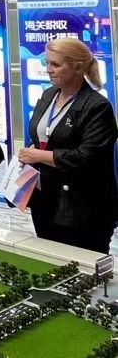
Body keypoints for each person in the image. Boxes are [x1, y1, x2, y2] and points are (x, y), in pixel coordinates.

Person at [19, 38, 118, 253]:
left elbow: (87, 157)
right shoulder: (48, 95)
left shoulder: (97, 106)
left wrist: (38, 156)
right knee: (49, 259)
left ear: (78, 68)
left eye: (55, 64)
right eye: (46, 63)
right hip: (47, 199)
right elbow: (43, 136)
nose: (48, 69)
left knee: (82, 265)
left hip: (83, 207)